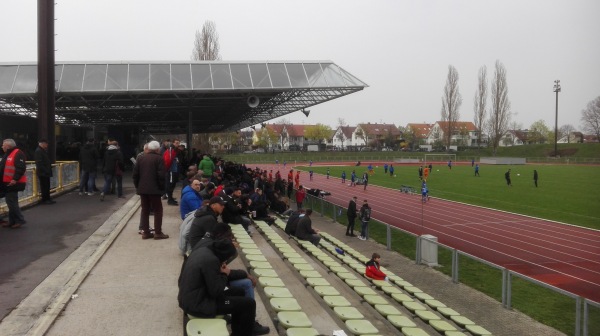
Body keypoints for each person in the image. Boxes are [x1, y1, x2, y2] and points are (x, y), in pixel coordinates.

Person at [178, 238, 269, 336]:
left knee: (240, 291)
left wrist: (223, 273)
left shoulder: (204, 251)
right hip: (198, 305)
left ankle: (238, 331)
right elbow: (216, 291)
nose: (226, 261)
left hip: (194, 297)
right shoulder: (211, 261)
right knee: (249, 304)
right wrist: (224, 274)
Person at [133, 140, 169, 240]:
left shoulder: (140, 158)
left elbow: (135, 175)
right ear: (157, 149)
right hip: (155, 189)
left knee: (145, 210)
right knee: (158, 210)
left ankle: (146, 232)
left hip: (143, 189)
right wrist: (162, 188)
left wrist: (138, 186)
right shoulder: (159, 158)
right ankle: (158, 232)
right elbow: (161, 175)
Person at [0, 139, 27, 229]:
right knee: (11, 202)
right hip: (7, 182)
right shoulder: (8, 154)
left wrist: (15, 179)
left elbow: (20, 168)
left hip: (13, 183)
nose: (2, 146)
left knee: (11, 202)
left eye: (3, 145)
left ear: (8, 146)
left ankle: (20, 220)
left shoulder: (17, 153)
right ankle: (12, 221)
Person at [34, 139, 55, 204]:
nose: (47, 145)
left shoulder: (42, 150)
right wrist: (45, 170)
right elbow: (39, 163)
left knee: (47, 185)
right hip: (43, 172)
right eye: (46, 143)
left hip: (45, 171)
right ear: (42, 143)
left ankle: (47, 198)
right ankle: (45, 199)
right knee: (44, 186)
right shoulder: (38, 151)